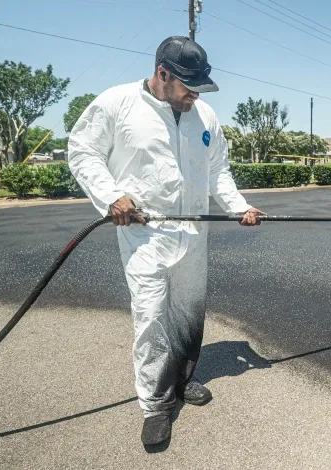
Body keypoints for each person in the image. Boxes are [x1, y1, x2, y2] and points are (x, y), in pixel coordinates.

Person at [67, 36, 264, 446]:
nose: (195, 94)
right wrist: (111, 197)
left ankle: (181, 380)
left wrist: (238, 206)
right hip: (145, 234)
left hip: (193, 232)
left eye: (199, 86)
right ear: (162, 73)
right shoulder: (117, 104)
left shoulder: (203, 114)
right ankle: (156, 405)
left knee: (189, 312)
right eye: (188, 86)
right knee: (152, 318)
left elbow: (218, 170)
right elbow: (82, 151)